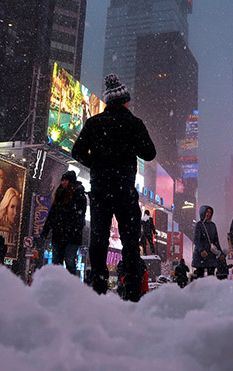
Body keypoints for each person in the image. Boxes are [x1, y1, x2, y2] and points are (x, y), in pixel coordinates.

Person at [72, 73, 156, 300]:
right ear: (125, 101)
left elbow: (76, 152)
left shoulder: (94, 123)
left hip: (100, 188)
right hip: (125, 189)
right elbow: (149, 153)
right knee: (130, 240)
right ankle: (131, 289)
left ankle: (97, 288)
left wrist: (97, 165)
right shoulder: (133, 123)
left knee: (98, 237)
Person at [40, 171, 87, 275]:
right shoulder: (59, 195)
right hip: (61, 234)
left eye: (65, 180)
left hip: (70, 235)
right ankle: (59, 284)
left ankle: (69, 285)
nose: (63, 183)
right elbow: (52, 215)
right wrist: (45, 230)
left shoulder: (78, 196)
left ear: (70, 182)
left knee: (68, 261)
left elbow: (79, 216)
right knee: (58, 262)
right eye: (62, 180)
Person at [191, 205, 222, 278]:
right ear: (203, 212)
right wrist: (201, 250)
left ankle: (209, 289)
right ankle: (201, 289)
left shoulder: (213, 225)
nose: (208, 214)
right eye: (207, 212)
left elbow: (216, 240)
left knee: (211, 276)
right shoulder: (199, 225)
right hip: (201, 255)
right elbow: (196, 239)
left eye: (210, 212)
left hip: (210, 254)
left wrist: (220, 252)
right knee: (200, 276)